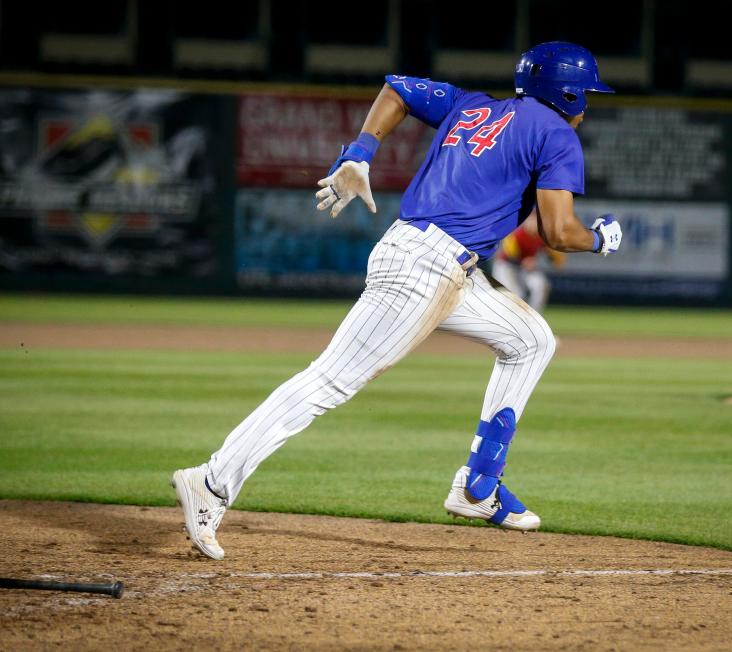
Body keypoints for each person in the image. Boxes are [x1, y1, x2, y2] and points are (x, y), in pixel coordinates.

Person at [172, 42, 622, 560]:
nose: (587, 104)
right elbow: (558, 231)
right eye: (585, 93)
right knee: (328, 381)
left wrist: (360, 151)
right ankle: (212, 481)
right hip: (426, 270)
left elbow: (398, 88)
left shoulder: (472, 105)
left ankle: (478, 485)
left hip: (440, 264)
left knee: (531, 339)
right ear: (565, 93)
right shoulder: (558, 135)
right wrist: (600, 239)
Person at [493, 212, 566, 313]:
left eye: (538, 221)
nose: (535, 224)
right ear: (527, 221)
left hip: (525, 270)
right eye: (533, 220)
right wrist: (524, 261)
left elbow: (556, 259)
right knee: (517, 295)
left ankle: (534, 316)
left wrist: (554, 258)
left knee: (541, 285)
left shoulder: (542, 236)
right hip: (506, 267)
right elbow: (510, 254)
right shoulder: (517, 234)